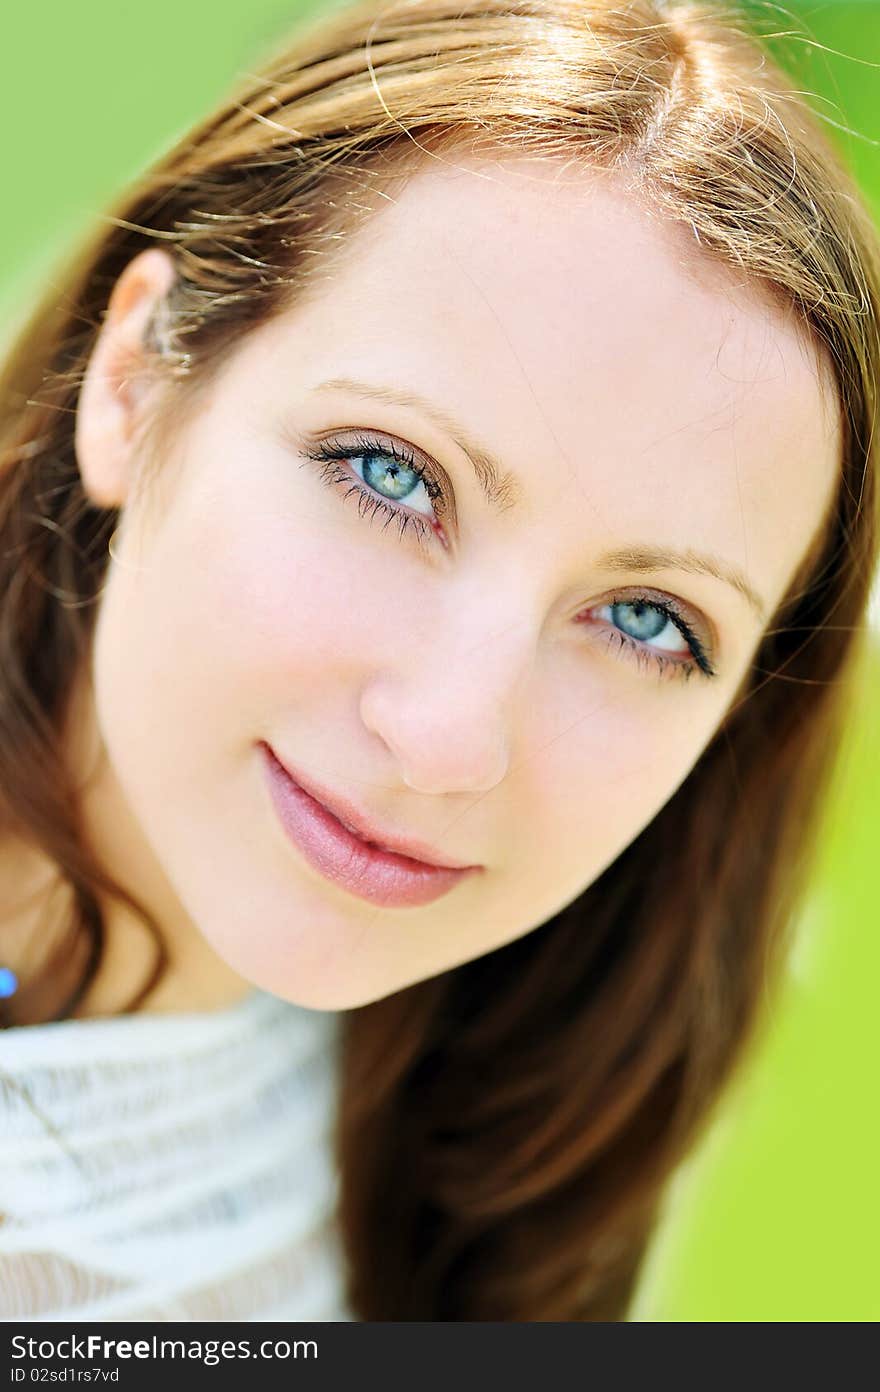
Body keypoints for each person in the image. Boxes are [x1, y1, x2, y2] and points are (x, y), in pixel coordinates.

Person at [0, 0, 877, 1323]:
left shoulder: (472, 1202)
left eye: (649, 620)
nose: (452, 735)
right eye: (388, 473)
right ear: (135, 381)